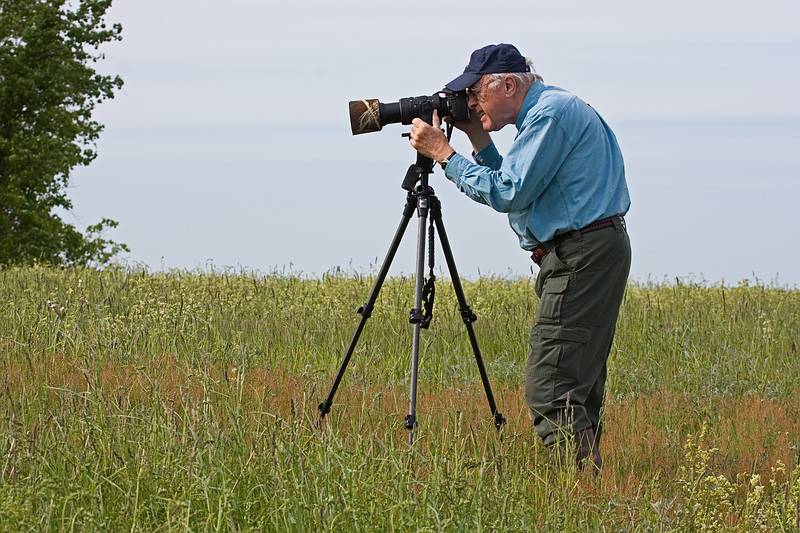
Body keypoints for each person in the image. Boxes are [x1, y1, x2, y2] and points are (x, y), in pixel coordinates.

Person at [409, 43, 631, 470]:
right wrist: (476, 133)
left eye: (474, 94)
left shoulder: (549, 115)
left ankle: (579, 487)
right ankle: (589, 488)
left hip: (580, 254)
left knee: (552, 385)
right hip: (592, 249)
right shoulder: (554, 109)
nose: (469, 102)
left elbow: (508, 193)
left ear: (507, 84)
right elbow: (517, 185)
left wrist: (443, 154)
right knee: (577, 383)